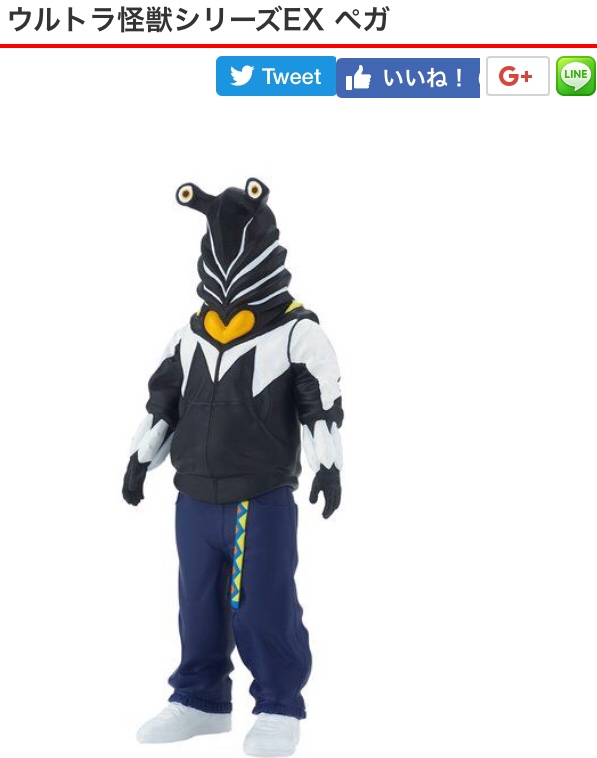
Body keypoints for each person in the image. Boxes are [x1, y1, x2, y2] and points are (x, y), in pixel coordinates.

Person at [122, 178, 343, 756]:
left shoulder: (297, 333)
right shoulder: (188, 335)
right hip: (193, 496)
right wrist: (140, 459)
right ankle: (199, 699)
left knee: (263, 602)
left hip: (259, 497)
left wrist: (328, 465)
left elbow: (321, 405)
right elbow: (163, 405)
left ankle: (278, 705)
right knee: (198, 601)